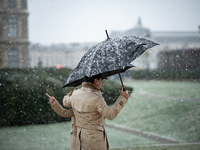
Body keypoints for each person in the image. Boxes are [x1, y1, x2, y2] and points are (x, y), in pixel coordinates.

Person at [63, 74, 129, 150]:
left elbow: (65, 102)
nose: (102, 82)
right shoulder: (97, 98)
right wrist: (122, 99)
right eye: (101, 80)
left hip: (80, 139)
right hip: (95, 141)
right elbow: (110, 114)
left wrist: (69, 94)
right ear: (96, 81)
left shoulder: (76, 93)